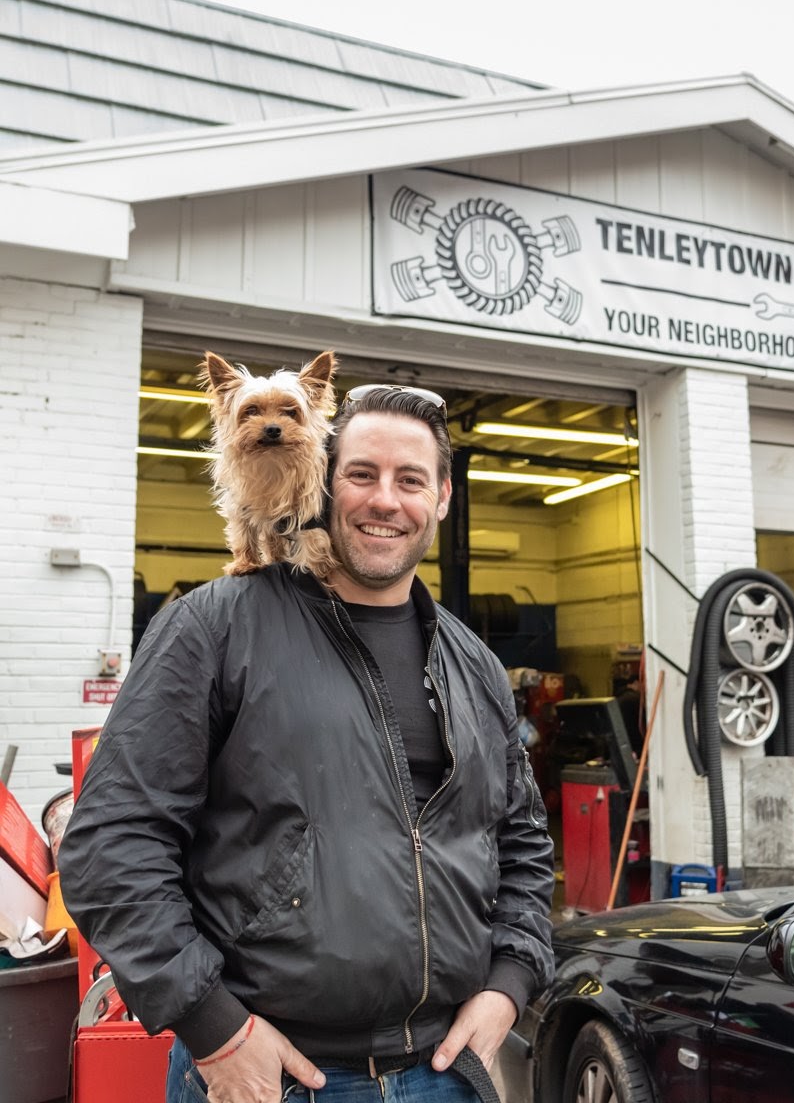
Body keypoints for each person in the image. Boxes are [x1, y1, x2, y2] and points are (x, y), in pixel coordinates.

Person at [59, 384, 556, 1103]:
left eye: (411, 479)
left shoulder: (472, 662)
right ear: (325, 479)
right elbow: (111, 844)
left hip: (445, 1073)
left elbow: (524, 845)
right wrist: (214, 1027)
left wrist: (509, 985)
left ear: (442, 498)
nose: (386, 500)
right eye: (362, 474)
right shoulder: (214, 628)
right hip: (272, 1076)